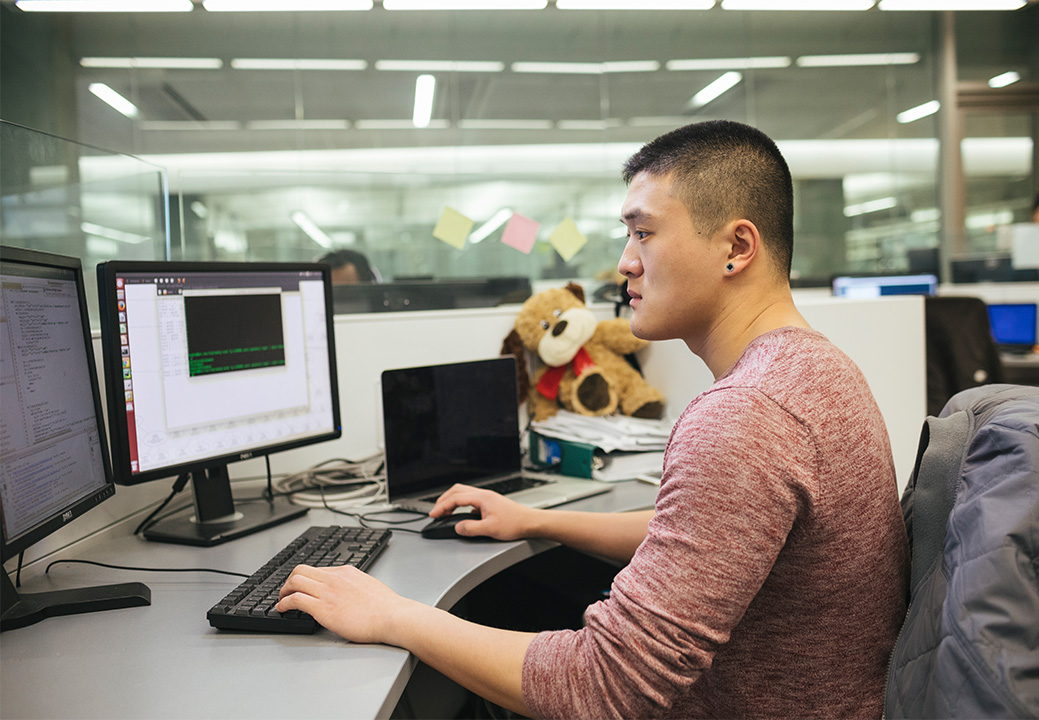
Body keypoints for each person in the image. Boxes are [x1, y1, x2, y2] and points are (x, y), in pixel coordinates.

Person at [278, 120, 910, 718]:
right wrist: (535, 519)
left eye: (644, 233)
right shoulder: (814, 369)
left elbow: (604, 688)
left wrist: (390, 615)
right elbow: (695, 538)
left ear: (737, 247)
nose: (625, 263)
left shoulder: (747, 417)